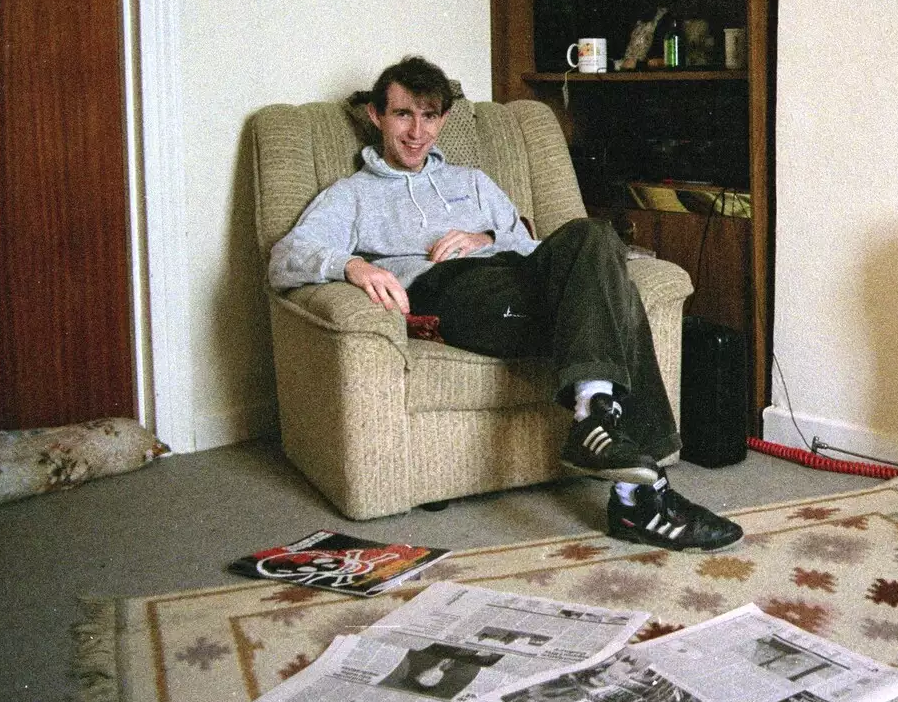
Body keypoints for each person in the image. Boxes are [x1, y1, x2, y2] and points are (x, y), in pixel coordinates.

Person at [268, 55, 742, 552]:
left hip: (518, 277)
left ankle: (597, 426)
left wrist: (486, 235)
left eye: (429, 116)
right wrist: (354, 266)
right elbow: (285, 256)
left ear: (444, 120)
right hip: (449, 292)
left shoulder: (473, 182)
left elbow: (536, 245)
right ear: (376, 116)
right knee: (615, 298)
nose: (416, 131)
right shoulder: (353, 195)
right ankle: (636, 496)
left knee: (593, 237)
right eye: (403, 114)